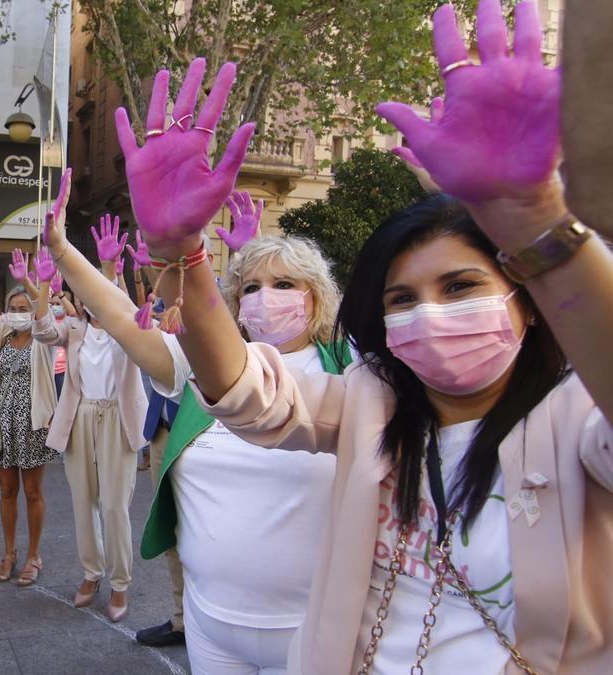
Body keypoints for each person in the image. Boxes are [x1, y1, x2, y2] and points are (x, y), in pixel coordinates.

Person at [119, 3, 613, 670]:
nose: (431, 314)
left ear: (525, 300)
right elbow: (244, 393)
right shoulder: (369, 399)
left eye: (460, 287)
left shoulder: (580, 419)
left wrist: (538, 221)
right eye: (402, 298)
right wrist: (188, 255)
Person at [48, 183, 352, 668]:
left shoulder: (352, 370)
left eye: (284, 285)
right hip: (210, 627)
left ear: (316, 296)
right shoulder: (201, 366)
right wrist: (63, 253)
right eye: (251, 287)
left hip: (316, 631)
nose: (264, 298)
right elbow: (123, 319)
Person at [32, 209, 148, 623]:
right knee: (84, 502)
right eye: (86, 295)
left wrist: (111, 267)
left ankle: (120, 584)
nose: (91, 300)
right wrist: (45, 285)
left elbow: (116, 297)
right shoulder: (75, 329)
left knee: (115, 506)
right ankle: (91, 573)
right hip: (79, 419)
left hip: (118, 419)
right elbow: (43, 331)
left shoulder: (129, 327)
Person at [0, 257, 59, 587]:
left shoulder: (42, 340)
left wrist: (38, 285)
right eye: (13, 307)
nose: (18, 313)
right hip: (4, 424)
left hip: (33, 425)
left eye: (24, 308)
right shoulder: (1, 336)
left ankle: (33, 555)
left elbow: (45, 319)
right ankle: (10, 552)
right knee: (7, 492)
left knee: (32, 491)